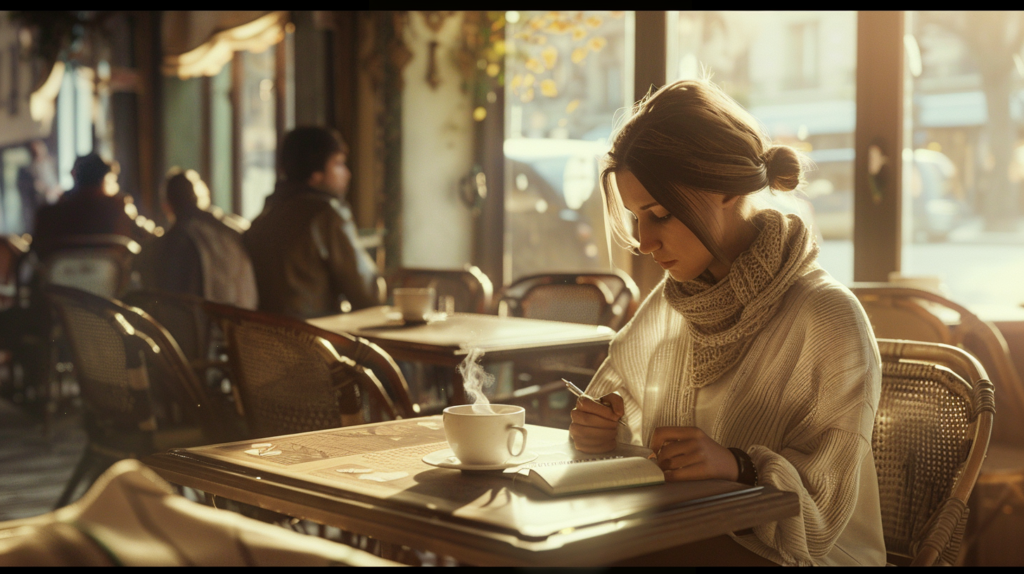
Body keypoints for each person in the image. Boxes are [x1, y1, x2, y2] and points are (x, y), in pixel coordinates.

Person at [568, 80, 885, 566]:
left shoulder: (827, 318)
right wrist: (597, 434)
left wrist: (739, 467)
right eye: (636, 219)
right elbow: (616, 418)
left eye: (660, 214)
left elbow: (824, 508)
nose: (646, 241)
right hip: (683, 541)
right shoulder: (670, 306)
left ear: (725, 189)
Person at [243, 127, 383, 319]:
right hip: (317, 340)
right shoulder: (325, 214)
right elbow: (367, 294)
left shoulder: (264, 216)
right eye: (339, 164)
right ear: (315, 173)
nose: (347, 173)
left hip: (266, 339)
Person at [134, 169, 257, 309]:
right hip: (244, 317)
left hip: (203, 323)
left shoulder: (177, 239)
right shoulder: (231, 226)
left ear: (167, 204)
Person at [32, 153, 147, 246]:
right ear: (105, 179)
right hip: (112, 274)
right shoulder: (119, 208)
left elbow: (37, 252)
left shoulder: (48, 215)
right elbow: (145, 236)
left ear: (73, 175)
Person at [14, 140, 62, 235]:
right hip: (38, 207)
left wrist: (56, 190)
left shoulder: (51, 163)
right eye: (34, 150)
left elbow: (56, 182)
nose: (37, 153)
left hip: (54, 205)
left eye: (39, 150)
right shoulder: (26, 170)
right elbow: (24, 188)